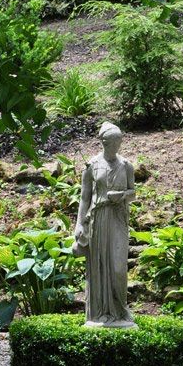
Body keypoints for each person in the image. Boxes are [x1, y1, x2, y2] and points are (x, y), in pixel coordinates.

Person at [73, 121, 137, 328]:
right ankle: (99, 313)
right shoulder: (92, 166)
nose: (118, 145)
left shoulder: (126, 165)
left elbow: (133, 192)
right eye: (115, 142)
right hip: (99, 219)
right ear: (104, 142)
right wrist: (79, 224)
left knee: (118, 267)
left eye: (120, 141)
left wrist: (122, 196)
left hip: (118, 218)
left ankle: (119, 310)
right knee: (99, 266)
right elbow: (84, 197)